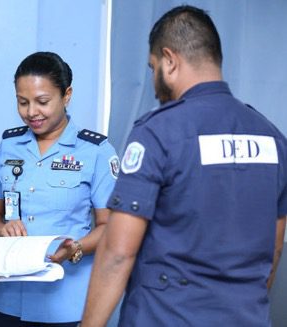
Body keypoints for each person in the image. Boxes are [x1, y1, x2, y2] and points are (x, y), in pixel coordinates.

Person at [82, 5, 287, 327]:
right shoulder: (273, 139)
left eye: (152, 68)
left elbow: (118, 254)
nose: (153, 81)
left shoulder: (157, 133)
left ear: (170, 60)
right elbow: (273, 249)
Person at [0, 51, 118, 326]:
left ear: (66, 96)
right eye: (22, 102)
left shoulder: (96, 152)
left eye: (42, 102)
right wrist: (0, 227)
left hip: (65, 299)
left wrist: (75, 248)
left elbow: (110, 227)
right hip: (9, 294)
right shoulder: (9, 146)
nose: (31, 112)